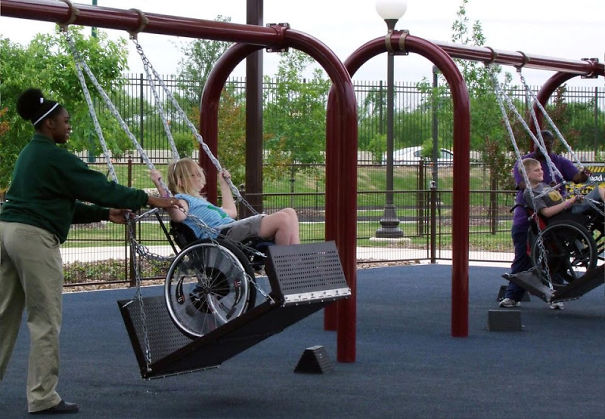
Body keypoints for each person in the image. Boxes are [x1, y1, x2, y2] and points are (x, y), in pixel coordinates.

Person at [0, 88, 182, 415]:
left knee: (4, 316)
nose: (69, 126)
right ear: (48, 123)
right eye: (65, 121)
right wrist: (148, 198)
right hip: (33, 239)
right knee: (45, 319)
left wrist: (102, 214)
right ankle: (42, 397)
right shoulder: (55, 157)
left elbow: (58, 202)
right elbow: (99, 187)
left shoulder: (31, 154)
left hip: (7, 232)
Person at [500, 130, 590, 309]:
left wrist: (583, 176)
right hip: (529, 219)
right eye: (540, 142)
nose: (544, 146)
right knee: (523, 259)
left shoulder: (557, 162)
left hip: (553, 222)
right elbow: (525, 184)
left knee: (555, 258)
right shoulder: (526, 163)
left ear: (552, 144)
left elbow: (576, 178)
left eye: (548, 143)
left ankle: (555, 295)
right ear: (534, 144)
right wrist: (544, 187)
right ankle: (512, 296)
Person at [150, 158, 300, 246]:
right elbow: (178, 216)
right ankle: (285, 268)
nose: (200, 177)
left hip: (229, 228)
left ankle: (296, 260)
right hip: (221, 235)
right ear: (181, 182)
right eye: (194, 175)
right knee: (283, 219)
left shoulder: (201, 201)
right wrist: (161, 188)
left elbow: (231, 212)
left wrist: (223, 184)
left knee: (290, 212)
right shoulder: (183, 200)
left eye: (199, 173)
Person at [522, 157, 605, 218]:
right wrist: (570, 201)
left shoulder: (543, 185)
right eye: (537, 170)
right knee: (599, 191)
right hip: (566, 215)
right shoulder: (531, 192)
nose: (541, 172)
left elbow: (557, 201)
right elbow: (546, 212)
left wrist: (555, 191)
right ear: (527, 174)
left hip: (569, 209)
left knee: (599, 199)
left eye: (541, 169)